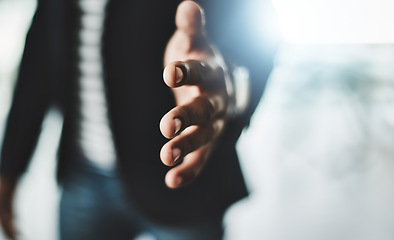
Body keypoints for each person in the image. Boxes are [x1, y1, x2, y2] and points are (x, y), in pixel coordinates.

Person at [0, 0, 275, 239]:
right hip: (82, 179)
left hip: (183, 182)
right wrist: (9, 165)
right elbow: (41, 51)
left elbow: (251, 36)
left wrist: (230, 89)